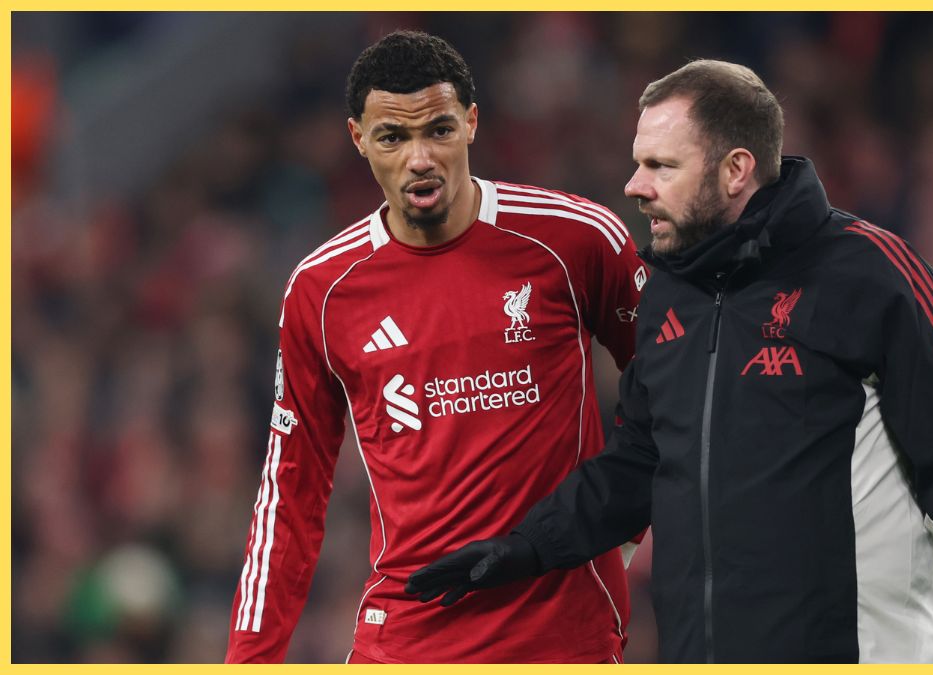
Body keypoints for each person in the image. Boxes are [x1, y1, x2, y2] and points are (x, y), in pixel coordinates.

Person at [405, 60, 933, 663]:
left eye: (662, 166)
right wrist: (527, 544)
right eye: (639, 162)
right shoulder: (667, 294)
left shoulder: (870, 275)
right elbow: (640, 463)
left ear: (736, 170)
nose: (635, 185)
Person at [225, 30, 645, 664]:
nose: (420, 158)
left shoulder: (575, 240)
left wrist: (623, 526)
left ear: (472, 124)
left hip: (561, 635)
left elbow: (677, 387)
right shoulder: (323, 290)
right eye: (393, 137)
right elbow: (290, 492)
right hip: (407, 638)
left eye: (439, 130)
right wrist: (250, 660)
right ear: (358, 139)